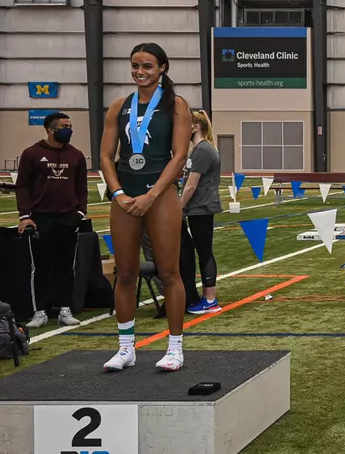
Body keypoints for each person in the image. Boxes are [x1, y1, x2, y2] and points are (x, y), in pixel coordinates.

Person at [99, 42, 191, 372]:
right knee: (125, 273)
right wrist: (118, 193)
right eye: (135, 65)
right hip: (126, 193)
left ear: (162, 68)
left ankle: (175, 347)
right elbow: (106, 157)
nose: (140, 71)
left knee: (169, 272)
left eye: (148, 66)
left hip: (161, 193)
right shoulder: (118, 107)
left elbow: (179, 156)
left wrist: (152, 195)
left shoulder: (177, 105)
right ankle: (126, 348)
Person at [15, 111, 88, 328]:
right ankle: (40, 311)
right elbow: (23, 186)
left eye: (70, 126)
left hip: (68, 218)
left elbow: (81, 188)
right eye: (64, 126)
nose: (69, 130)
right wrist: (25, 216)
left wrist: (80, 213)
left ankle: (65, 309)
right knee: (41, 267)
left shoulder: (76, 155)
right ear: (50, 130)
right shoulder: (32, 154)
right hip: (40, 219)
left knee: (66, 266)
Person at [179, 109, 223, 314]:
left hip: (201, 208)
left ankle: (210, 298)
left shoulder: (203, 150)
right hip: (197, 208)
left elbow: (191, 185)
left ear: (195, 126)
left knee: (204, 252)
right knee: (201, 251)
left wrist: (179, 207)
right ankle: (205, 296)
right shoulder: (197, 150)